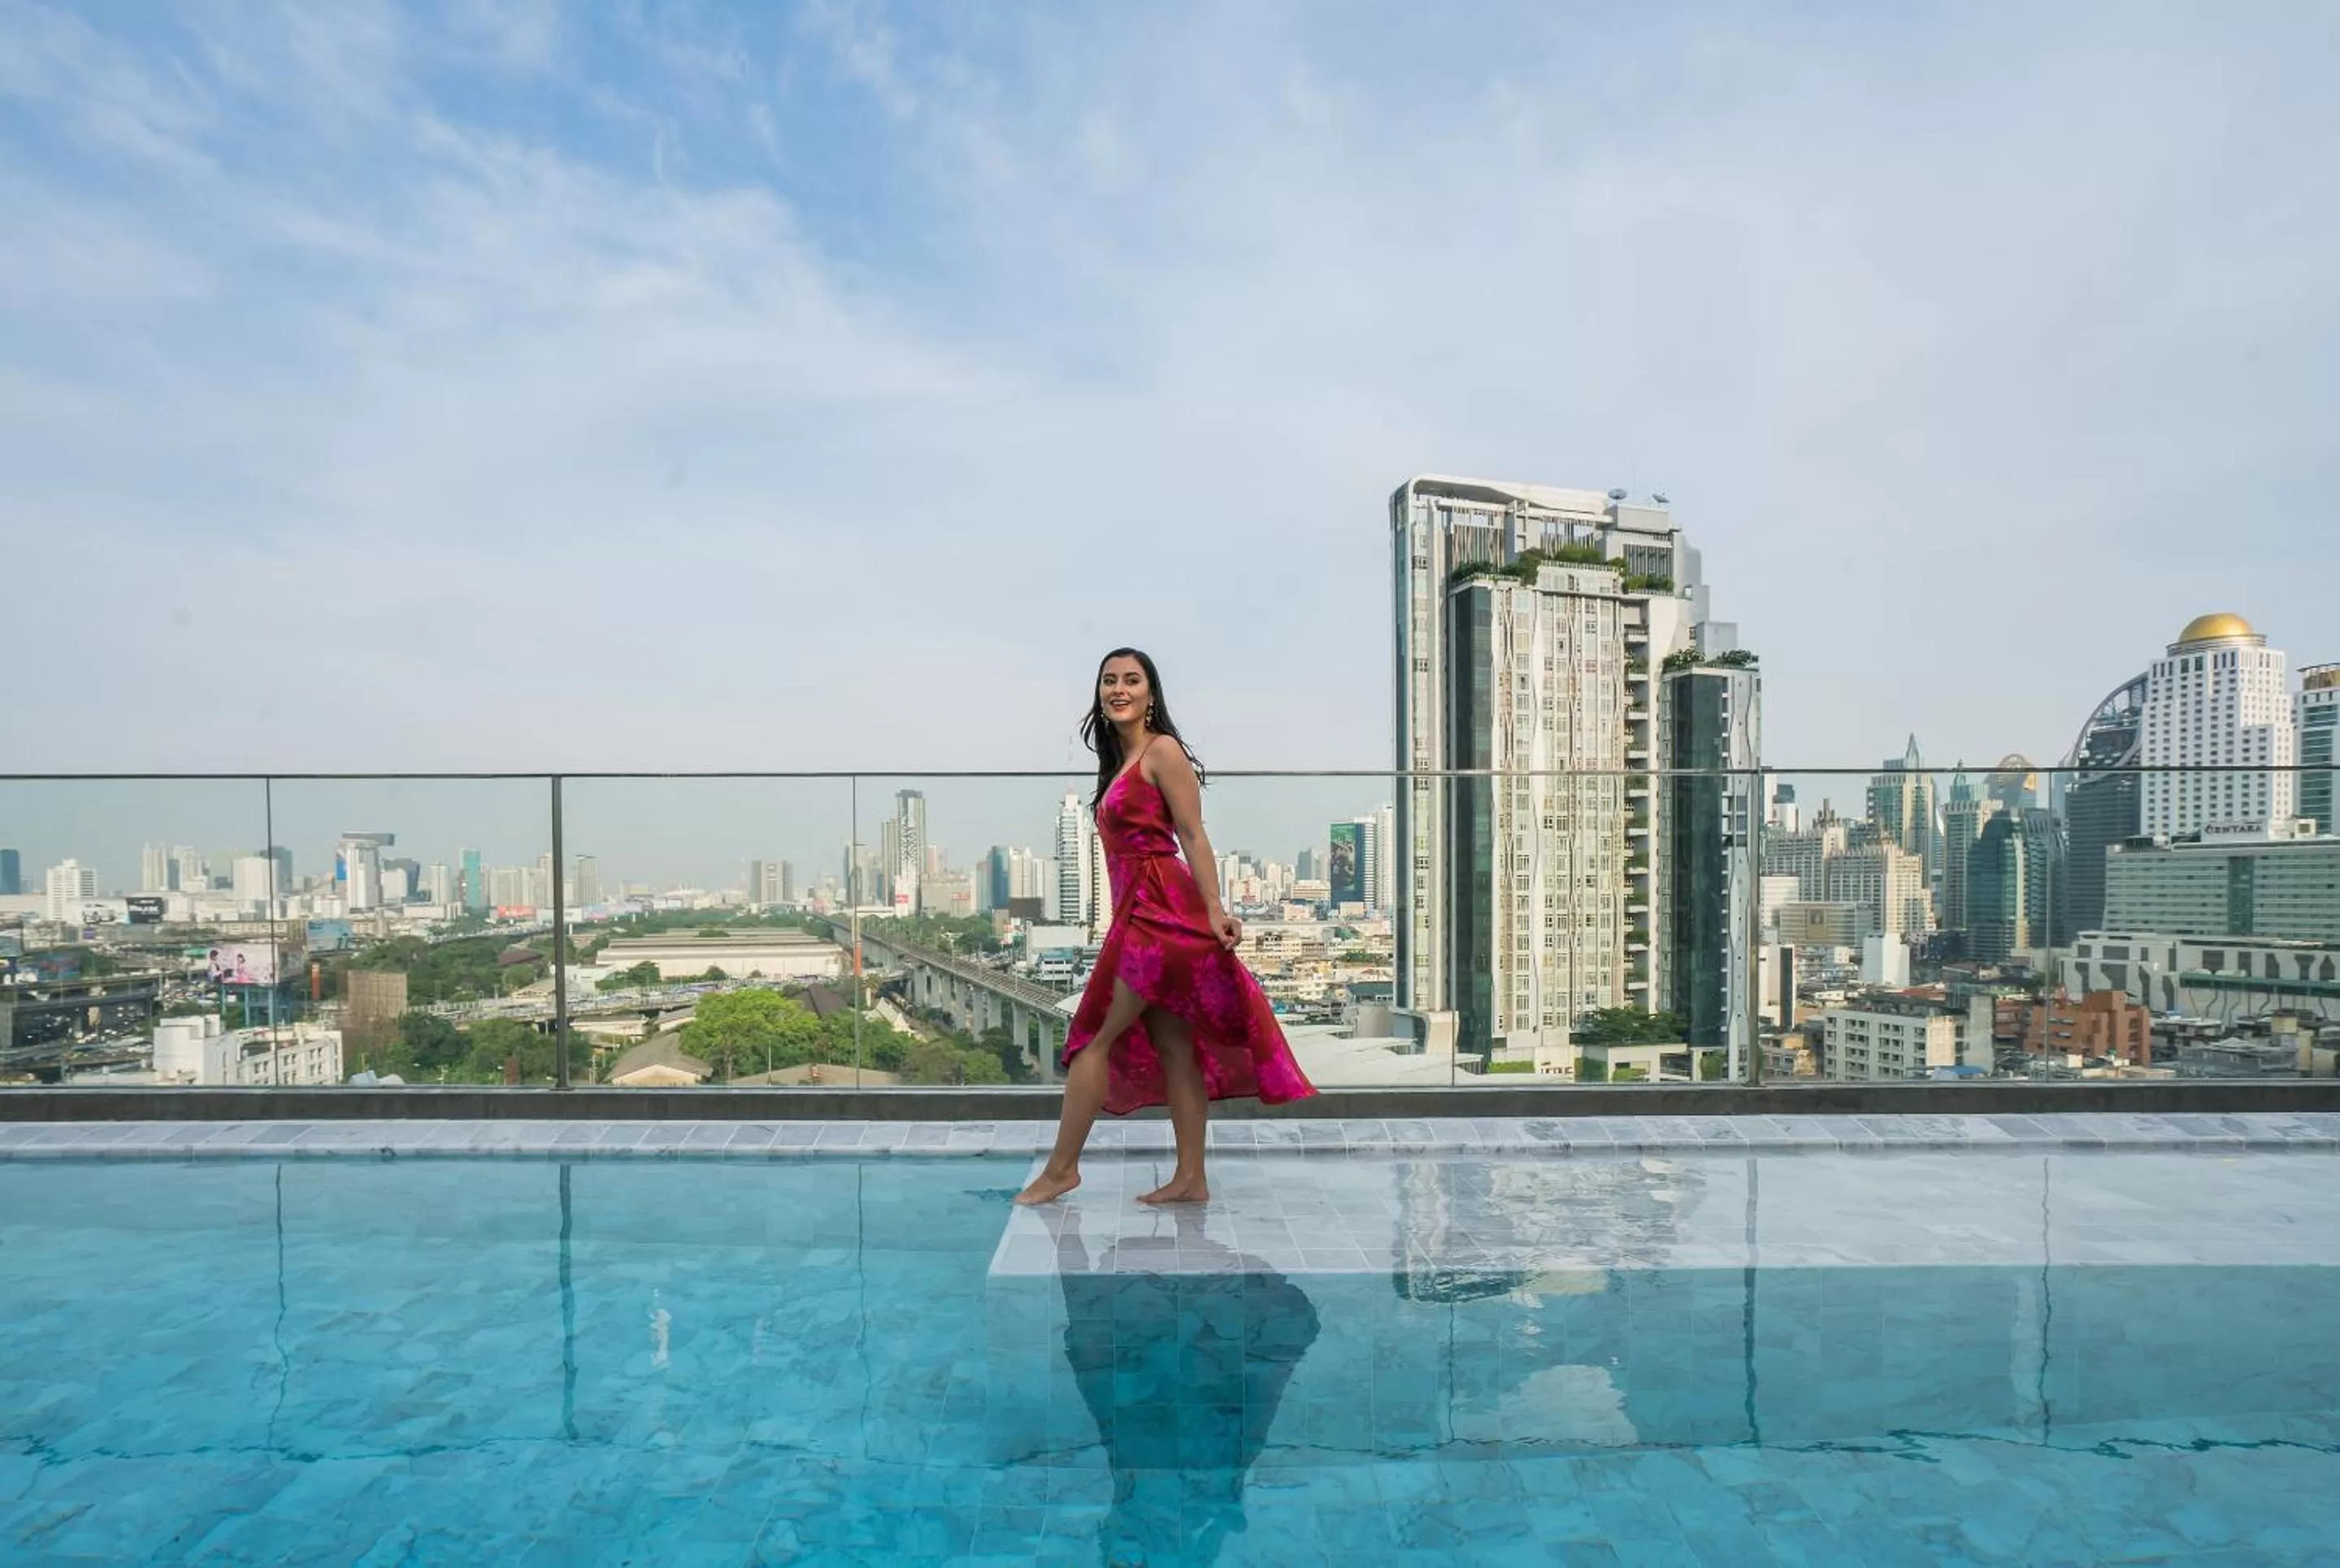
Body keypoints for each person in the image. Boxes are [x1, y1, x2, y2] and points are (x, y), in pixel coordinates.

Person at [1014, 648, 1315, 1206]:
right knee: (1173, 1043)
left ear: (1151, 694)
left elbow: (1193, 835)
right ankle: (1191, 1178)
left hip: (1161, 911)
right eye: (1109, 680)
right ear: (1099, 694)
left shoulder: (1162, 751)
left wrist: (1214, 908)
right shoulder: (1120, 763)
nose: (1119, 688)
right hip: (1135, 912)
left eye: (1132, 679)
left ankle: (1061, 1170)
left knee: (1091, 1039)